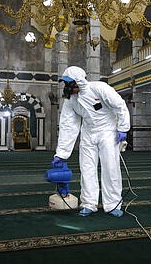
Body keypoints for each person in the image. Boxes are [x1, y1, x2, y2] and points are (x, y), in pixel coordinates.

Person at [51, 66, 130, 217]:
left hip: (108, 131)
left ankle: (113, 205)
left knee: (110, 168)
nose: (68, 87)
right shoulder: (71, 100)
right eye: (66, 84)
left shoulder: (99, 88)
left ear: (79, 81)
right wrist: (61, 154)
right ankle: (88, 204)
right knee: (87, 169)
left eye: (70, 84)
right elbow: (68, 125)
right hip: (88, 133)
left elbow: (120, 105)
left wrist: (123, 128)